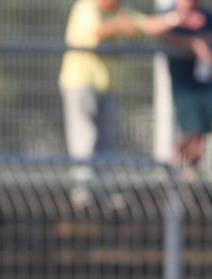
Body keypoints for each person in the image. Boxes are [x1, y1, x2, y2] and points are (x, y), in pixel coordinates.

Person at [59, 0, 182, 160]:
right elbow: (95, 33)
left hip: (108, 86)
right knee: (85, 143)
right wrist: (117, 25)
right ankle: (84, 185)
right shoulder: (87, 7)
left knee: (108, 142)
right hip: (80, 84)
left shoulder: (121, 10)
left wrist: (177, 18)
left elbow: (147, 25)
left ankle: (102, 184)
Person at [160, 0, 212, 174]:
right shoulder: (170, 16)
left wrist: (206, 40)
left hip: (206, 83)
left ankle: (191, 174)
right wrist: (192, 43)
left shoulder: (207, 16)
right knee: (193, 128)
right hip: (184, 85)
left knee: (201, 134)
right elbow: (162, 35)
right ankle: (172, 161)